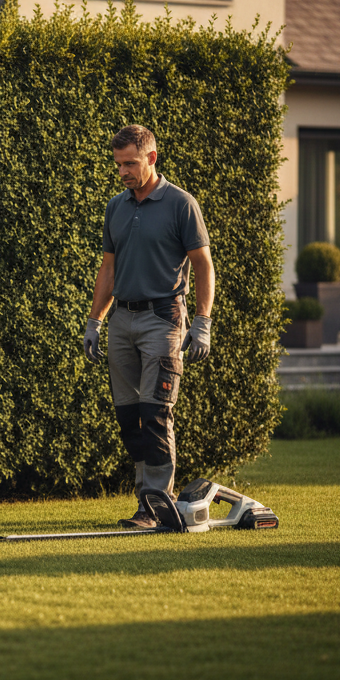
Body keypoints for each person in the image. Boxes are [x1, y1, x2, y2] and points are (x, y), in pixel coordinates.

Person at [82, 124, 215, 529]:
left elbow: (203, 265)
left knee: (155, 413)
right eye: (118, 164)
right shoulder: (116, 207)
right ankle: (147, 498)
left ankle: (156, 505)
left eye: (131, 163)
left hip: (163, 319)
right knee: (128, 418)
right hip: (121, 319)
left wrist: (203, 321)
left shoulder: (181, 204)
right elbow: (109, 269)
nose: (123, 171)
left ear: (151, 158)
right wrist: (94, 321)